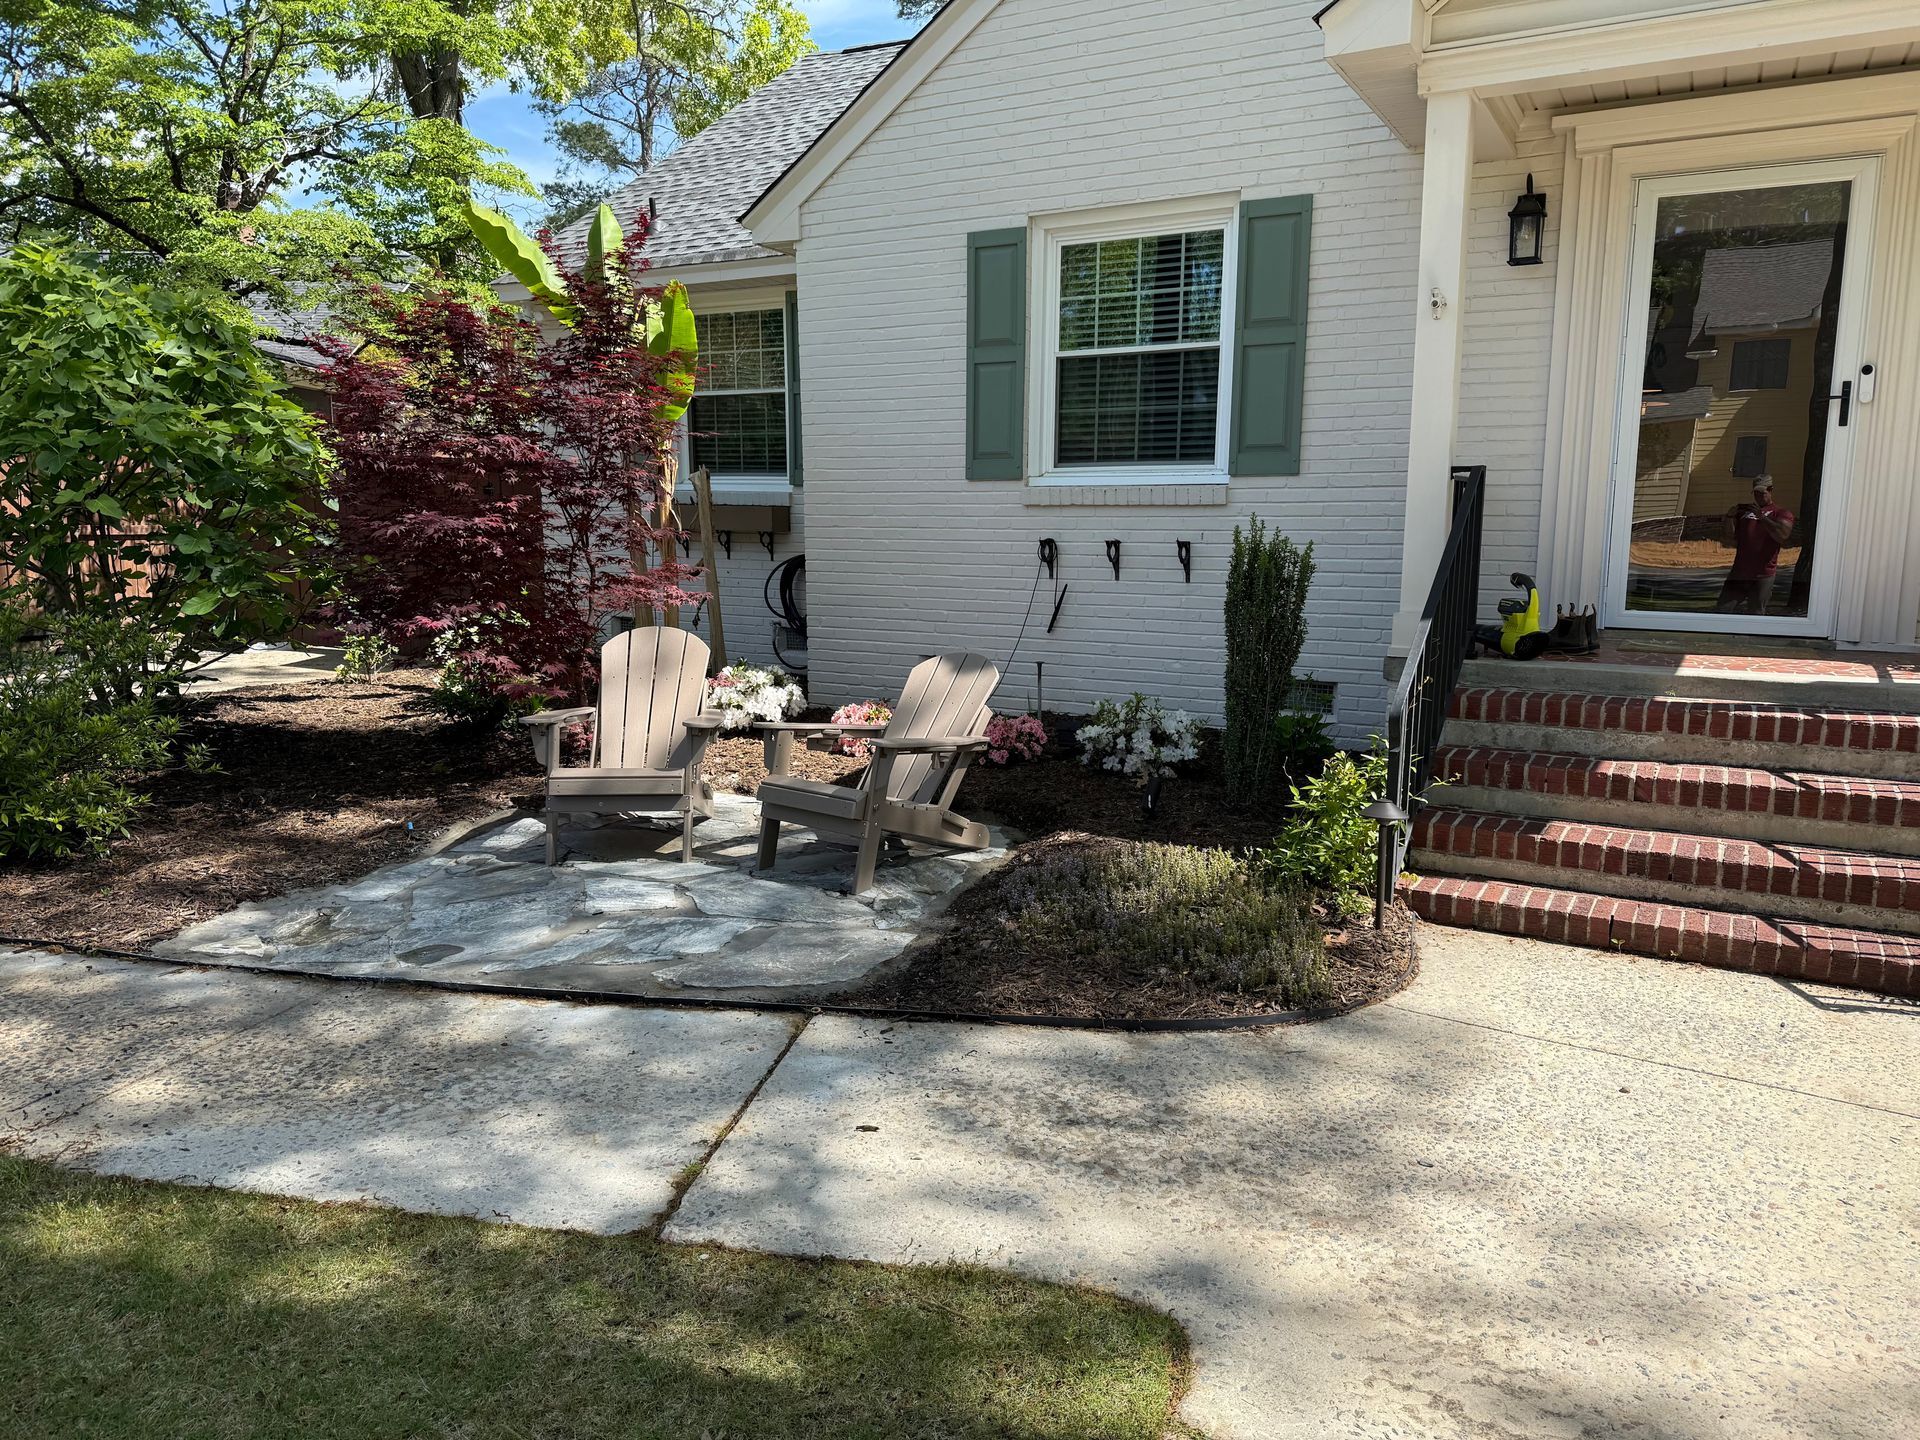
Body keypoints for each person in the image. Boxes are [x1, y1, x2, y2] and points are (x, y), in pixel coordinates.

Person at [1716, 475, 1795, 615]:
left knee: (1756, 613)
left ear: (1771, 490)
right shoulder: (1745, 513)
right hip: (1739, 574)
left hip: (1763, 574)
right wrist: (1729, 517)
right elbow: (1728, 539)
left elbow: (1782, 535)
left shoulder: (1781, 513)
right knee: (1723, 609)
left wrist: (1762, 517)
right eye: (1756, 493)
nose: (1758, 496)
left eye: (1762, 492)